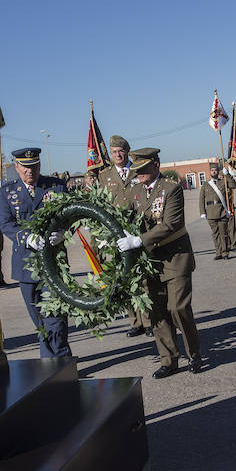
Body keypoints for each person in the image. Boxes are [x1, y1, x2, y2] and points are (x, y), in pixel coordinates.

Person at [117, 147, 202, 378]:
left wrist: (138, 240)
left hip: (175, 258)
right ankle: (169, 360)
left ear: (156, 165)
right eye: (136, 169)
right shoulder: (135, 190)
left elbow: (170, 224)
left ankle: (194, 354)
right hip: (150, 261)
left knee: (178, 308)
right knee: (157, 313)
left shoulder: (171, 189)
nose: (139, 173)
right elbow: (126, 216)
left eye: (144, 168)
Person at [0, 147, 71, 357]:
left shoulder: (55, 187)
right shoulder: (7, 192)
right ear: (17, 167)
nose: (30, 171)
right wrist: (26, 237)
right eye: (25, 167)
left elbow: (71, 215)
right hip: (25, 263)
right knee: (38, 317)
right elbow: (6, 223)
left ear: (39, 165)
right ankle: (49, 362)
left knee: (54, 315)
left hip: (54, 261)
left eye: (34, 166)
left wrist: (63, 233)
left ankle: (62, 362)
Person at [98, 134, 152, 338]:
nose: (117, 155)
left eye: (120, 151)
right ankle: (134, 321)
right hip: (115, 233)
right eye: (114, 152)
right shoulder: (105, 175)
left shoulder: (138, 169)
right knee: (124, 277)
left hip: (137, 229)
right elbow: (102, 203)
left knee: (142, 277)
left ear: (127, 152)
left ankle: (148, 321)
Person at [199, 162, 236, 259]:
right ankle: (218, 252)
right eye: (212, 170)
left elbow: (235, 185)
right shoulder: (206, 185)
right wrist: (202, 212)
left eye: (215, 170)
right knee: (215, 234)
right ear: (210, 172)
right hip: (210, 212)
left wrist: (228, 174)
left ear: (218, 172)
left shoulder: (223, 182)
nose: (214, 172)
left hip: (222, 211)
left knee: (224, 233)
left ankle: (225, 252)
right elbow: (201, 199)